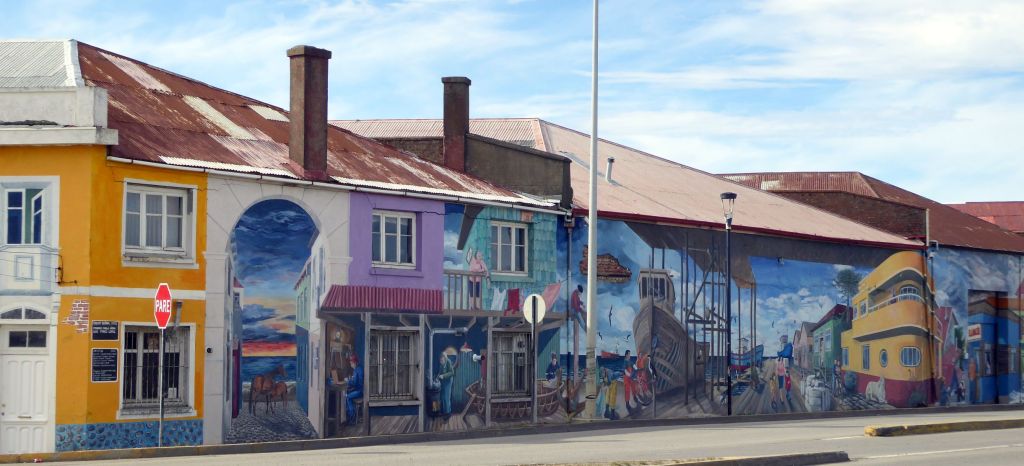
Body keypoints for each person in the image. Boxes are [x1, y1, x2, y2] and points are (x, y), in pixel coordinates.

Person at [342, 354, 363, 425]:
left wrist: (348, 381)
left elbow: (355, 383)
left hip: (360, 391)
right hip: (359, 389)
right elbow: (355, 381)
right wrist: (351, 380)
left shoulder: (357, 370)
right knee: (348, 394)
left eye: (351, 363)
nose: (351, 365)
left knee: (348, 397)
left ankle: (352, 417)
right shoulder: (359, 368)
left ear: (355, 363)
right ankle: (351, 415)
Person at [437, 352, 456, 417]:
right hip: (443, 381)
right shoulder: (441, 364)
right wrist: (437, 377)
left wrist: (443, 376)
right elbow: (440, 372)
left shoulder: (448, 362)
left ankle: (448, 413)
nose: (441, 362)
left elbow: (452, 372)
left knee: (446, 397)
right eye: (440, 361)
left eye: (442, 360)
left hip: (448, 381)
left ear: (445, 359)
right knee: (442, 396)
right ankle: (443, 411)